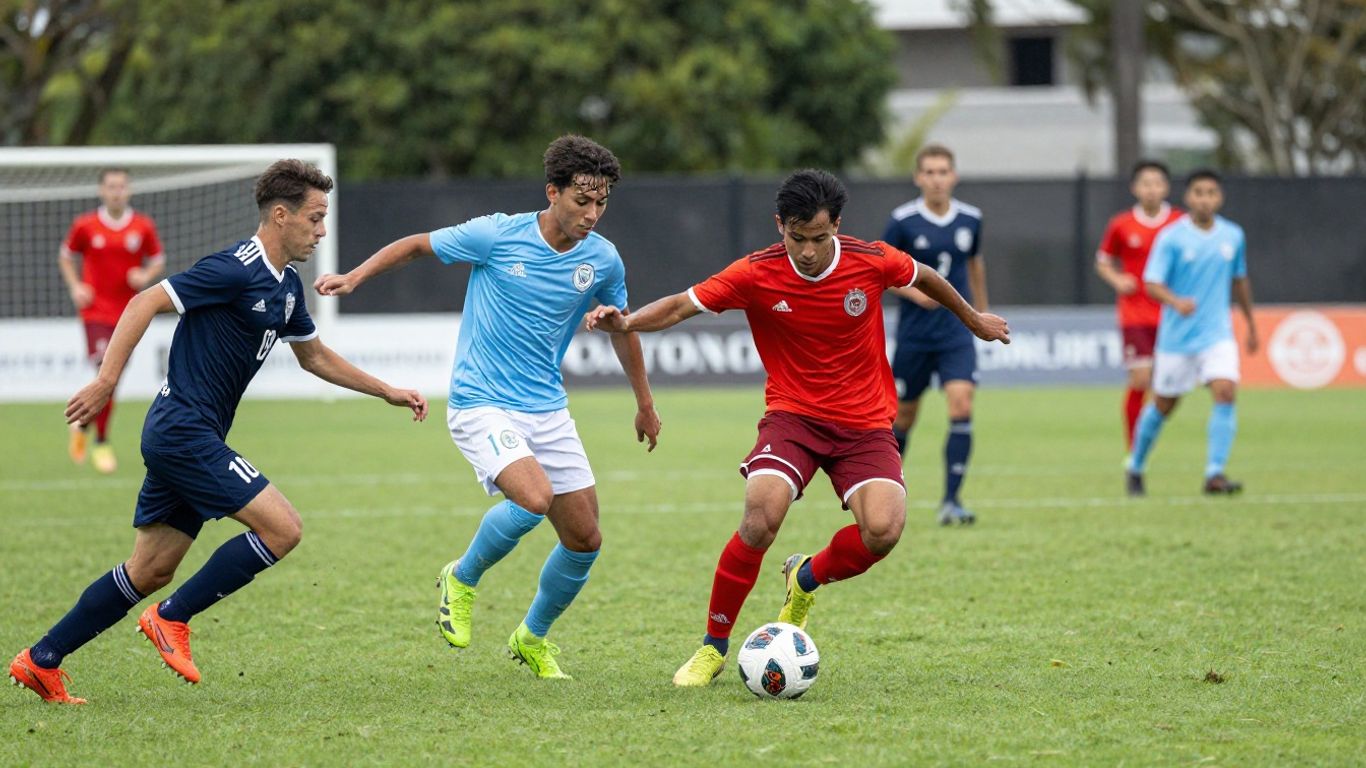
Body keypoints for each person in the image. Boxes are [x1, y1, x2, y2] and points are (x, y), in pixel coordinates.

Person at [8, 160, 429, 705]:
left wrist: (387, 390)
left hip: (187, 434)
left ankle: (41, 660)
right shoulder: (234, 269)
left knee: (149, 569)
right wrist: (107, 380)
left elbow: (315, 357)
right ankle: (171, 618)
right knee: (283, 529)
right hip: (183, 431)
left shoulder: (287, 286)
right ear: (281, 216)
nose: (322, 231)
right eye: (315, 218)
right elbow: (144, 300)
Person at [584, 169, 1010, 686]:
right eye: (797, 237)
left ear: (837, 227)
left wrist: (973, 318)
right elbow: (680, 305)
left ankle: (806, 577)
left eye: (819, 238)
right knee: (760, 514)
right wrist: (628, 322)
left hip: (865, 423)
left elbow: (925, 277)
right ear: (779, 225)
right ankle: (713, 648)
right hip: (794, 417)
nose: (808, 251)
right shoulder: (755, 272)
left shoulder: (871, 259)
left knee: (883, 531)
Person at [314, 135, 660, 681]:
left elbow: (624, 327)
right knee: (533, 499)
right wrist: (354, 277)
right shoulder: (497, 234)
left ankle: (532, 638)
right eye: (581, 201)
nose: (592, 214)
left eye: (601, 203)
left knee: (585, 540)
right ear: (552, 192)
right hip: (482, 402)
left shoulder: (602, 259)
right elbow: (416, 245)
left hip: (548, 409)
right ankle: (462, 576)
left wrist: (644, 402)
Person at [1125, 169, 1258, 497]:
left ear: (1219, 197)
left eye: (1211, 193)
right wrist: (1176, 301)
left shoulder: (1233, 235)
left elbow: (1240, 280)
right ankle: (1136, 465)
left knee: (1225, 391)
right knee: (1164, 404)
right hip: (1177, 339)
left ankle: (1215, 474)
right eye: (1199, 193)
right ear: (1188, 197)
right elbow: (1152, 283)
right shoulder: (1171, 237)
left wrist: (1251, 323)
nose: (1205, 199)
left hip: (1217, 335)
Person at [881, 144, 990, 526]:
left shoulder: (971, 219)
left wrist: (980, 314)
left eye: (943, 171)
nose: (937, 179)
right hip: (915, 335)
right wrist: (917, 293)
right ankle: (883, 496)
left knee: (961, 404)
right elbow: (882, 272)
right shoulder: (902, 221)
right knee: (904, 417)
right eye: (929, 172)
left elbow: (974, 265)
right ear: (918, 178)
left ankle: (951, 501)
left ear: (953, 176)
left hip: (955, 332)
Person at [58, 168, 166, 474]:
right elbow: (65, 256)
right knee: (104, 369)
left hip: (129, 313)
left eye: (121, 187)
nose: (116, 192)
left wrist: (144, 275)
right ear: (101, 191)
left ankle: (82, 425)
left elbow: (157, 259)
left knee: (111, 378)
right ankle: (102, 442)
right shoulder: (85, 225)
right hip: (95, 312)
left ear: (128, 190)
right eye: (111, 187)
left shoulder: (142, 226)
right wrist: (75, 286)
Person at [1095, 161, 1184, 450]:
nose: (1151, 189)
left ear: (1166, 187)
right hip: (1135, 314)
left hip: (1172, 314)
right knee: (1140, 378)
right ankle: (1134, 450)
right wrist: (1118, 279)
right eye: (1146, 183)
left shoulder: (1180, 223)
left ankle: (1146, 438)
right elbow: (1103, 261)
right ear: (1135, 188)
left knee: (1169, 387)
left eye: (1157, 183)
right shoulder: (1121, 224)